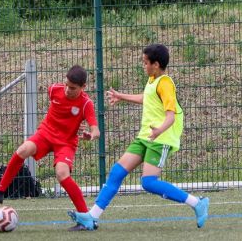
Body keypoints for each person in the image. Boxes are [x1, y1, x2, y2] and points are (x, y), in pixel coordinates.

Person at [68, 44, 209, 230]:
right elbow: (147, 97)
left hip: (160, 140)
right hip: (146, 137)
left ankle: (197, 203)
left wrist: (159, 130)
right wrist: (121, 96)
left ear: (156, 64)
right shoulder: (153, 80)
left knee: (148, 182)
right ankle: (92, 217)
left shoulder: (166, 84)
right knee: (117, 172)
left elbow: (171, 116)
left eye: (145, 62)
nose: (143, 66)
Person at [0, 65, 100, 231]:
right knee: (22, 150)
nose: (67, 90)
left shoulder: (86, 104)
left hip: (66, 142)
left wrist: (91, 134)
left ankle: (85, 219)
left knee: (61, 173)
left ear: (83, 87)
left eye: (72, 88)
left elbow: (96, 130)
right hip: (46, 133)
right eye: (66, 85)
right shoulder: (54, 90)